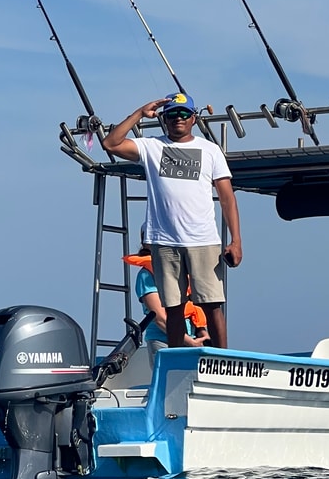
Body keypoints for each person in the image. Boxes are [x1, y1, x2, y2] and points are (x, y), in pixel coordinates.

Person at [102, 92, 242, 348]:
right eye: (173, 115)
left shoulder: (210, 150)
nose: (179, 119)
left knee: (211, 305)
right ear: (164, 119)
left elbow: (227, 198)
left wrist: (236, 241)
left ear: (194, 118)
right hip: (164, 241)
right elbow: (111, 143)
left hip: (203, 240)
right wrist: (139, 112)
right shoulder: (151, 146)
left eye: (184, 114)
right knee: (174, 306)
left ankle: (224, 358)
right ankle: (176, 360)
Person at [124, 239, 209, 368]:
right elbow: (160, 318)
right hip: (162, 342)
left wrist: (203, 335)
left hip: (192, 341)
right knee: (169, 384)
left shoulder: (181, 269)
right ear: (145, 243)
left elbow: (195, 308)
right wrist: (190, 342)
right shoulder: (146, 275)